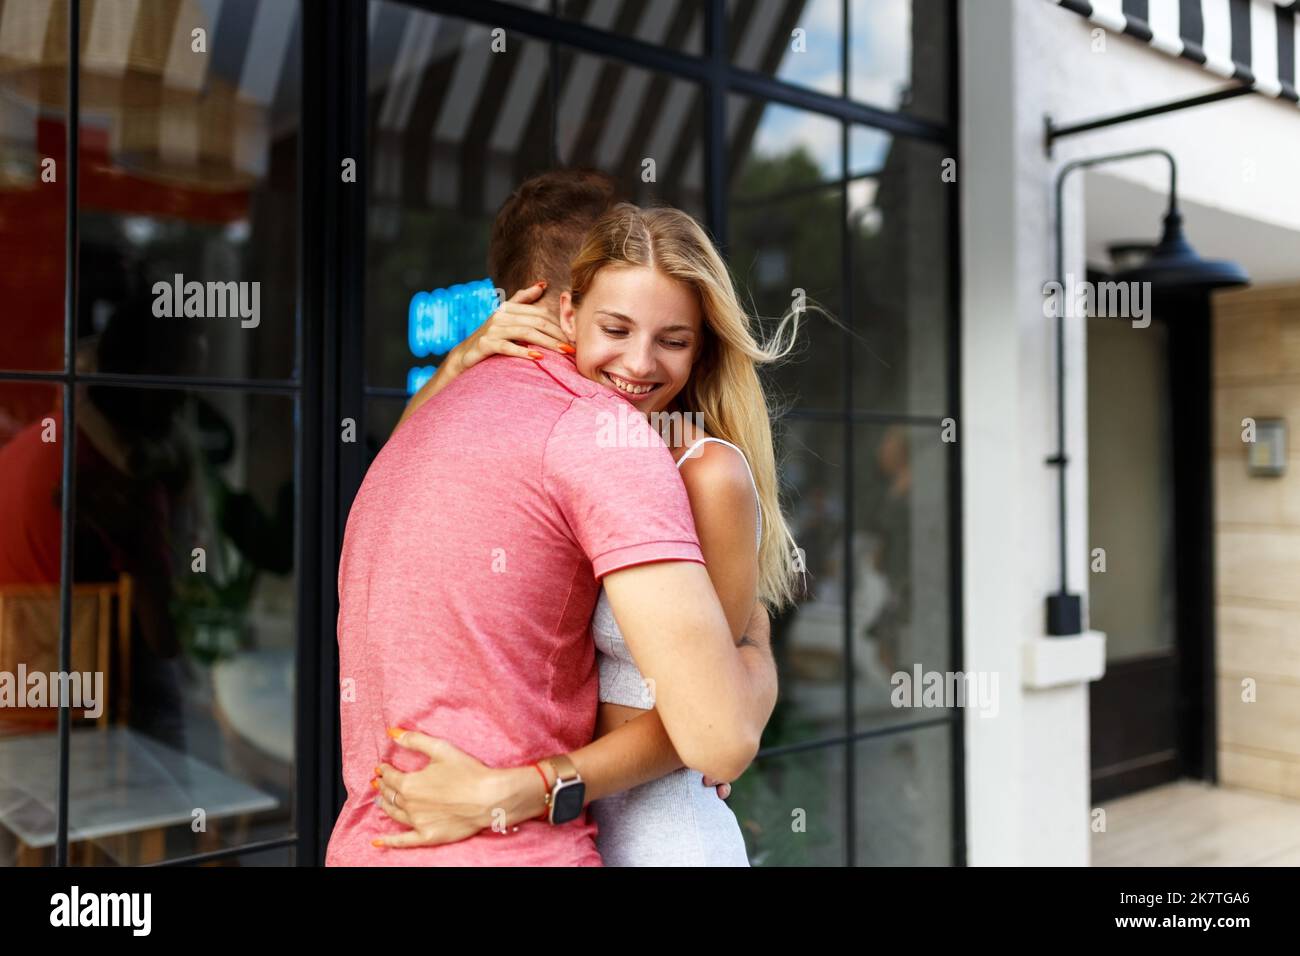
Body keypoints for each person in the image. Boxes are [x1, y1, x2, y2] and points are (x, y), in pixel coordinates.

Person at [326, 182, 795, 866]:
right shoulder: (569, 441)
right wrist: (461, 358)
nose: (638, 363)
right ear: (569, 306)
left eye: (672, 338)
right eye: (616, 326)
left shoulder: (684, 463)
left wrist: (756, 644)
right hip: (536, 826)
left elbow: (716, 732)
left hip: (646, 828)